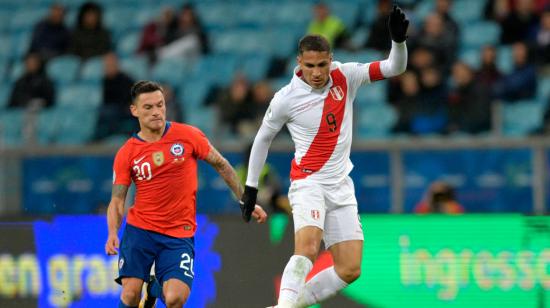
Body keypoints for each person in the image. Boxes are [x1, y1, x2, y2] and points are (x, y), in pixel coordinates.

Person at [239, 6, 409, 308]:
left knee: (350, 268)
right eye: (310, 66)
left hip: (341, 185)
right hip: (308, 183)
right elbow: (262, 139)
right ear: (299, 63)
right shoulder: (285, 99)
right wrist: (250, 188)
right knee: (307, 248)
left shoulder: (346, 76)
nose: (317, 73)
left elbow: (394, 68)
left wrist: (398, 41)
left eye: (322, 65)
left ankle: (285, 305)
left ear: (331, 60)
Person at [104, 81, 267, 308]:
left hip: (178, 234)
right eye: (148, 107)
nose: (156, 112)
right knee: (130, 295)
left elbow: (221, 164)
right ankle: (145, 288)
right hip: (140, 231)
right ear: (135, 111)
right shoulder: (127, 153)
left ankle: (154, 287)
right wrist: (113, 232)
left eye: (160, 105)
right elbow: (117, 199)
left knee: (175, 299)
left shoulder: (187, 135)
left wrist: (245, 199)